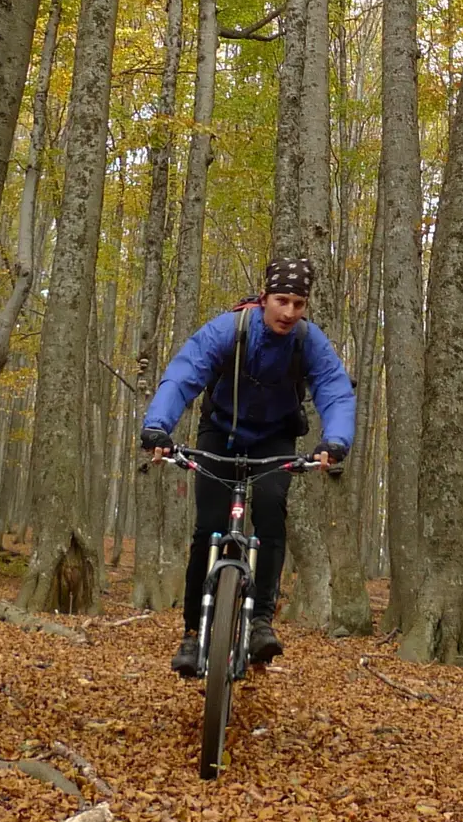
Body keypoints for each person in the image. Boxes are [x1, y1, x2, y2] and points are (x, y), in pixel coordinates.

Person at [139, 257, 355, 675]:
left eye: (298, 303)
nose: (289, 312)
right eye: (281, 301)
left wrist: (336, 441)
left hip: (274, 440)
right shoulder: (229, 329)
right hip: (220, 433)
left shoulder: (308, 341)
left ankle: (260, 622)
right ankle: (191, 633)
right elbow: (185, 374)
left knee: (271, 512)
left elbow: (334, 389)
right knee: (209, 527)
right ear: (264, 298)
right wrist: (157, 428)